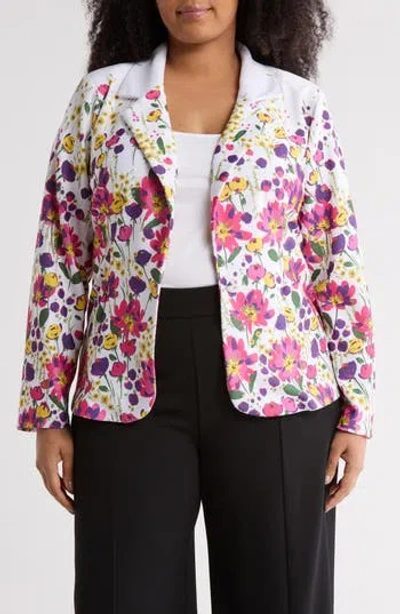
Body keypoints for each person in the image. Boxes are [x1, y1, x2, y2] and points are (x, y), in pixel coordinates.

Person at [17, 1, 376, 613]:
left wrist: (357, 408)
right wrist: (46, 410)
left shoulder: (297, 105)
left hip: (280, 383)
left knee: (281, 597)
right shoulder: (102, 99)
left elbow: (335, 259)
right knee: (124, 595)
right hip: (124, 384)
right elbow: (62, 255)